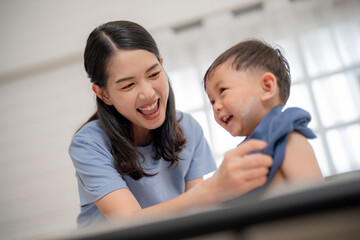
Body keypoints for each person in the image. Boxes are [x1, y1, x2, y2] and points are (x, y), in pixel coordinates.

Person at [69, 21, 273, 228]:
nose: (148, 93)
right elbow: (128, 223)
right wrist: (214, 188)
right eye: (129, 85)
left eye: (154, 74)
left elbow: (196, 215)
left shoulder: (188, 129)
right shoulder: (88, 144)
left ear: (162, 65)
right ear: (103, 94)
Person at [203, 39, 323, 193]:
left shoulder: (288, 138)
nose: (216, 107)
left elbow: (317, 199)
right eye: (212, 101)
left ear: (267, 87)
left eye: (222, 90)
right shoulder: (247, 151)